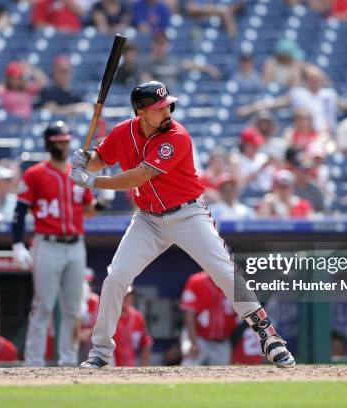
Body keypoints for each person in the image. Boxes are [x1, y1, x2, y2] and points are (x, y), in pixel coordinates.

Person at [71, 80, 295, 368]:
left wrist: (92, 180)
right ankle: (100, 352)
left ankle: (270, 338)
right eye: (159, 108)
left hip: (188, 215)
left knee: (225, 272)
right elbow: (100, 159)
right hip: (147, 219)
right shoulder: (122, 132)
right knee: (115, 278)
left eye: (168, 106)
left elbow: (139, 176)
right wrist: (86, 159)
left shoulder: (177, 136)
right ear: (140, 111)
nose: (167, 112)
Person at [12, 121, 96, 367]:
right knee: (43, 306)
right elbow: (19, 212)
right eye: (59, 141)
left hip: (76, 244)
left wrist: (104, 199)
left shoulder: (78, 173)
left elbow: (89, 210)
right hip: (47, 243)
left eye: (66, 140)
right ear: (49, 143)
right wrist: (17, 244)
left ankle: (68, 361)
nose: (63, 144)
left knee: (73, 308)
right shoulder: (35, 173)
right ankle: (34, 362)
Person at [238, 65, 342, 133]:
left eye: (317, 78)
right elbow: (274, 103)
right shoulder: (298, 93)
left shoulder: (329, 94)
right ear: (306, 80)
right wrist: (249, 109)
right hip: (303, 135)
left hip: (326, 136)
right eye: (311, 78)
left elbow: (345, 104)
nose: (314, 81)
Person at [180, 271, 239, 366]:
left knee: (223, 375)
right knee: (188, 369)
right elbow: (189, 314)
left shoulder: (235, 284)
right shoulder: (196, 281)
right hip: (198, 337)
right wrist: (193, 342)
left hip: (222, 341)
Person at [143, 33, 221, 90]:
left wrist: (209, 68)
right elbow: (145, 80)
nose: (162, 47)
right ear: (153, 45)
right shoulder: (146, 62)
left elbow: (187, 64)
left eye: (164, 44)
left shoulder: (172, 61)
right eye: (159, 44)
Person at [112, 286, 153, 366]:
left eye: (129, 295)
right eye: (123, 295)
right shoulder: (109, 316)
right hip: (111, 366)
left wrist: (143, 367)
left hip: (131, 367)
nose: (126, 298)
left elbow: (146, 343)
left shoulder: (138, 317)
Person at [233, 127, 275, 193]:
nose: (256, 147)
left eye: (256, 144)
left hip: (266, 194)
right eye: (252, 144)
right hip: (246, 195)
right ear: (245, 145)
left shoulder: (263, 157)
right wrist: (261, 168)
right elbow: (240, 184)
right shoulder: (236, 160)